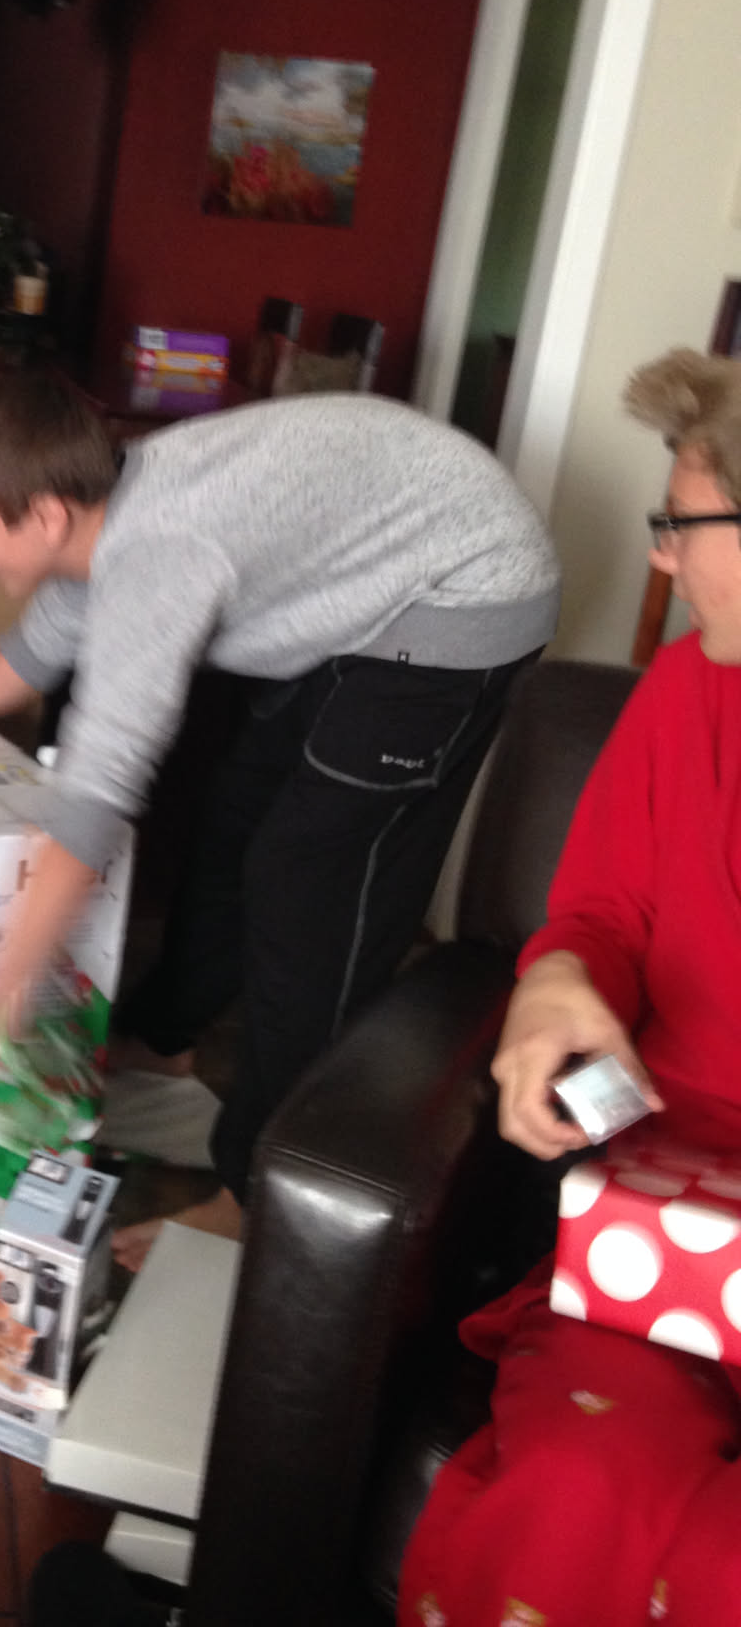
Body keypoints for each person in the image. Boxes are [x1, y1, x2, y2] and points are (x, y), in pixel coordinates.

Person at [0, 373, 560, 1266]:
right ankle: (165, 1042)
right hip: (376, 576)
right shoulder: (96, 521)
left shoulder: (157, 557)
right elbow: (21, 664)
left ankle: (263, 1193)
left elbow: (93, 803)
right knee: (234, 819)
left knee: (308, 878)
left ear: (47, 515)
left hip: (464, 592)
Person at [399, 346, 741, 1626]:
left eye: (683, 524)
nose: (662, 558)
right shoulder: (687, 689)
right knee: (581, 1483)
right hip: (664, 1231)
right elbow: (603, 912)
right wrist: (553, 981)